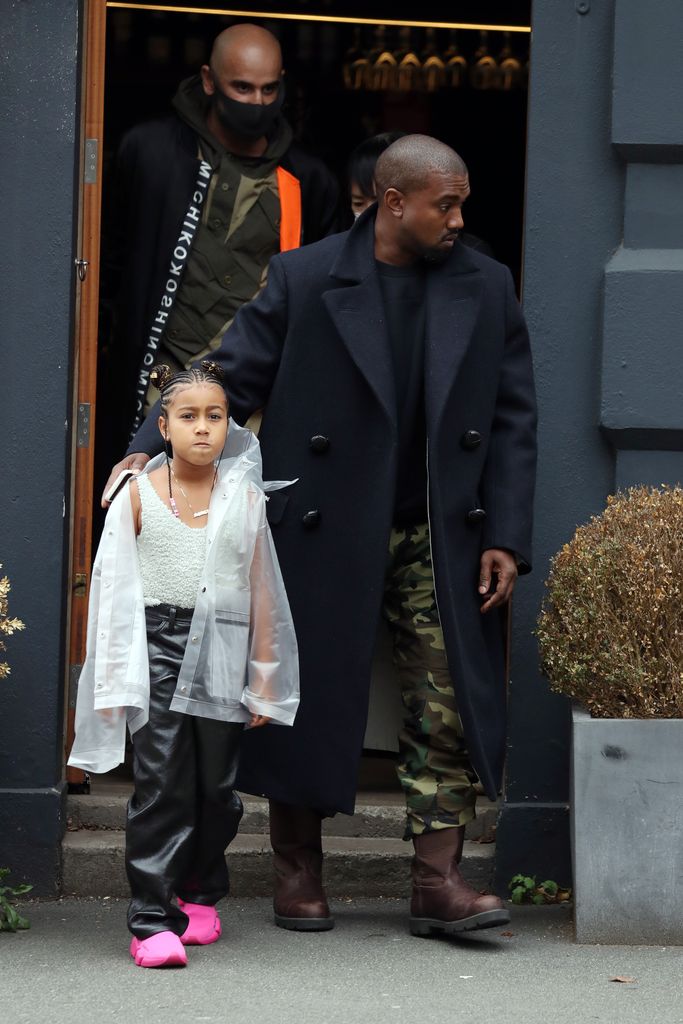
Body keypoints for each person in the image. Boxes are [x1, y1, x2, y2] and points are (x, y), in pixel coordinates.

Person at [105, 134, 537, 939]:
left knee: (443, 701)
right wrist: (148, 447)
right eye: (445, 202)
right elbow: (228, 375)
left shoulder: (485, 283)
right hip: (325, 521)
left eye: (462, 201)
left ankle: (437, 880)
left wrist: (506, 534)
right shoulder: (307, 277)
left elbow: (513, 417)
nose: (458, 217)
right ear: (391, 201)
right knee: (303, 694)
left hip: (438, 529)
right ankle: (299, 868)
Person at [71, 361, 299, 967]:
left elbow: (262, 592)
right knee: (163, 784)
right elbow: (112, 592)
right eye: (188, 416)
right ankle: (151, 920)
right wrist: (117, 675)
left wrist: (264, 678)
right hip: (157, 648)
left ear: (231, 426)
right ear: (164, 428)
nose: (203, 428)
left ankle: (198, 895)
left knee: (217, 789)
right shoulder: (136, 494)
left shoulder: (244, 496)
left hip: (224, 648)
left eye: (215, 416)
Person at [99, 22, 339, 448]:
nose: (258, 102)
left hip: (252, 397)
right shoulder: (152, 152)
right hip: (159, 381)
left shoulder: (308, 179)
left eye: (269, 90)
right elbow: (111, 263)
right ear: (209, 80)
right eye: (243, 88)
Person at [348, 131, 494, 257]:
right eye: (358, 203)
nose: (367, 213)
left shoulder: (475, 260)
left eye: (376, 202)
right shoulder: (336, 257)